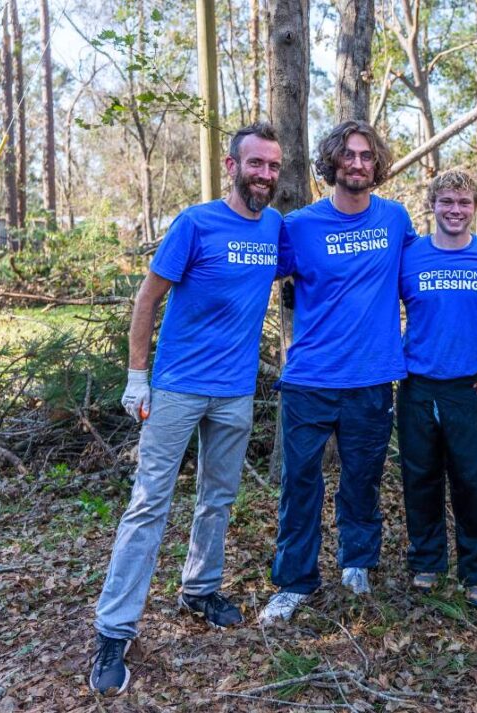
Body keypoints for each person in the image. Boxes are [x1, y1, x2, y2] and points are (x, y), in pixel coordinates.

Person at [89, 123, 284, 696]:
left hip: (235, 392)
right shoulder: (195, 224)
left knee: (218, 497)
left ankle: (200, 589)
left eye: (273, 166)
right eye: (256, 164)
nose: (265, 175)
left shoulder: (274, 228)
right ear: (232, 166)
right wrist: (136, 377)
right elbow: (148, 298)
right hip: (175, 388)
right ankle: (114, 630)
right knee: (149, 504)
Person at [260, 120, 418, 624]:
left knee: (362, 479)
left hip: (372, 378)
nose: (356, 163)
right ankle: (295, 580)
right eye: (348, 154)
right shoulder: (300, 225)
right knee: (299, 481)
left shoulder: (395, 220)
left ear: (377, 165)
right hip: (309, 379)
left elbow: (422, 277)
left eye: (366, 155)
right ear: (331, 162)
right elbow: (259, 276)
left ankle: (357, 562)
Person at [397, 169, 477, 608]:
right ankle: (427, 561)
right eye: (447, 201)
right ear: (432, 204)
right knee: (421, 476)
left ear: (475, 208)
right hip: (416, 385)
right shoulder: (409, 256)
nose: (455, 210)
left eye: (464, 203)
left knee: (473, 480)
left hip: (470, 389)